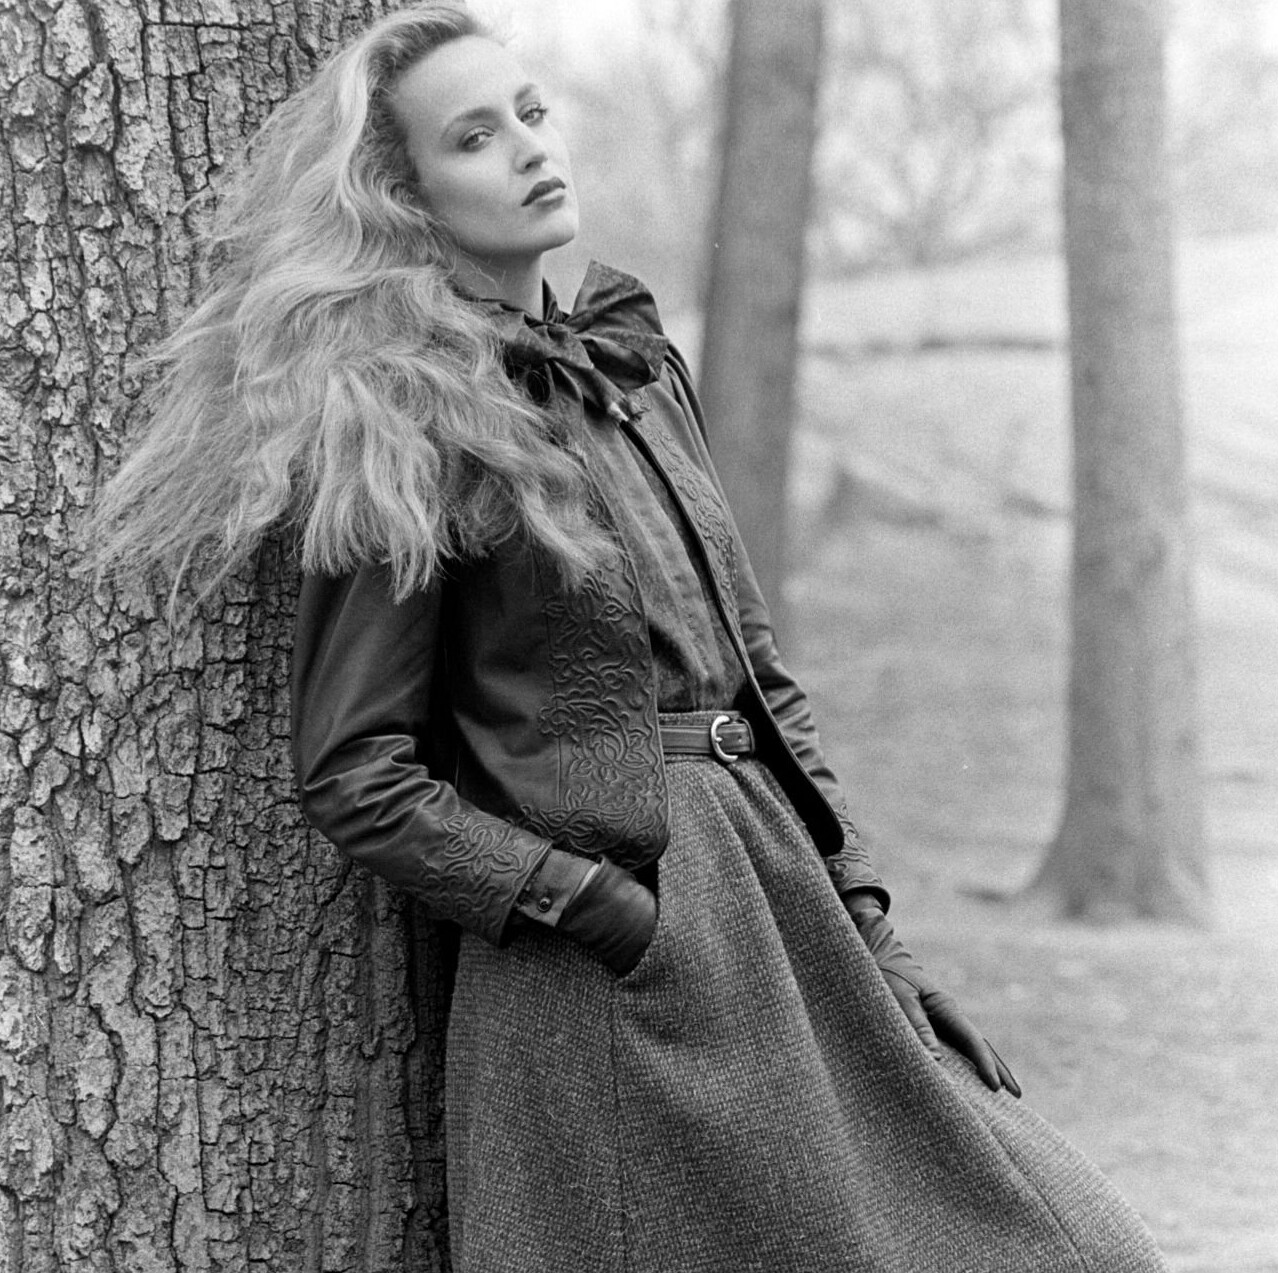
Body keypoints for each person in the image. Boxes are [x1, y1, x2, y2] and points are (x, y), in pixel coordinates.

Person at [92, 5, 1170, 1270]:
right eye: (473, 139)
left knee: (1070, 1240)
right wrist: (607, 912)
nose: (528, 149)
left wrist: (874, 928)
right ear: (405, 196)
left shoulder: (636, 363)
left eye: (530, 114)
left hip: (780, 894)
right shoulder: (403, 417)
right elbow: (354, 774)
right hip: (607, 956)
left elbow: (760, 674)